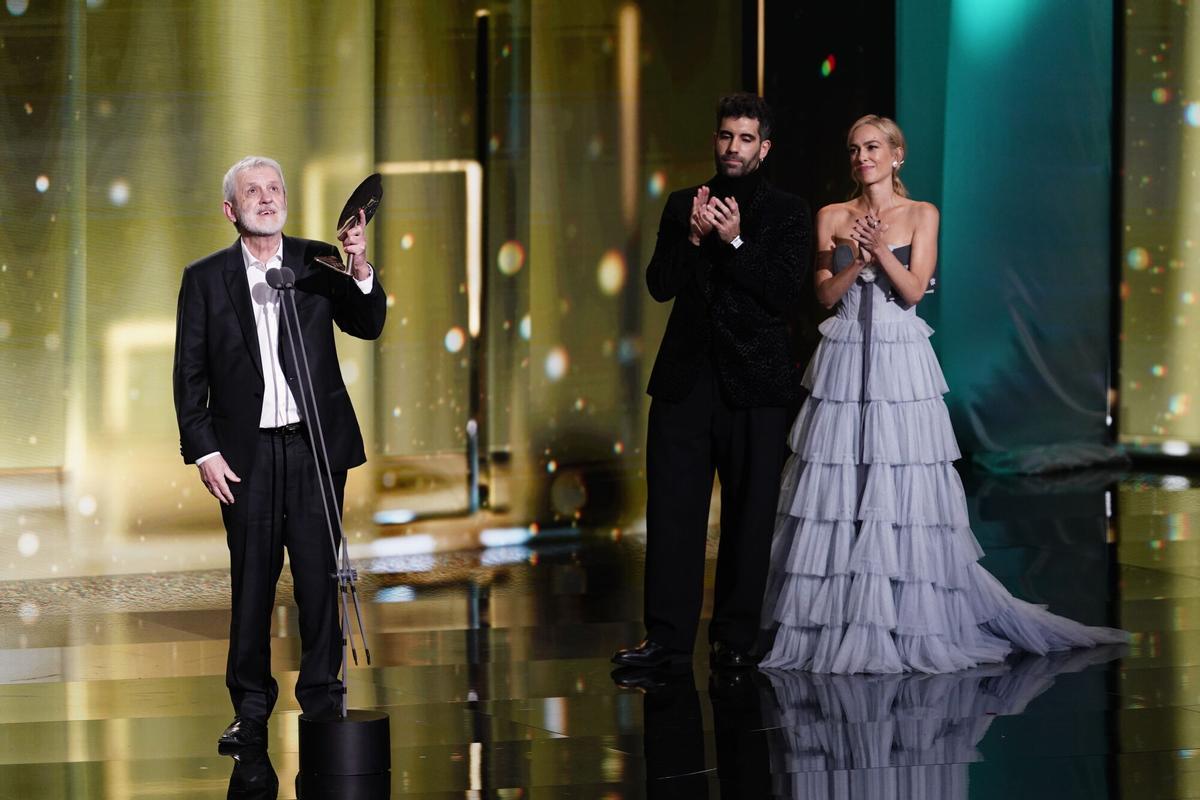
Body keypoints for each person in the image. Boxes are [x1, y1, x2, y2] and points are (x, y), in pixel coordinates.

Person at [759, 115, 1126, 673]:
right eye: (855, 148)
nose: (863, 157)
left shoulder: (922, 214)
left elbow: (911, 292)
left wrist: (881, 249)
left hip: (900, 360)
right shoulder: (832, 217)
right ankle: (840, 617)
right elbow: (824, 297)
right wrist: (855, 256)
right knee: (842, 480)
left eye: (874, 147)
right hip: (843, 358)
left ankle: (908, 615)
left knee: (900, 480)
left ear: (897, 154)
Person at [173, 156, 387, 748]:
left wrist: (360, 265)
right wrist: (204, 451)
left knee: (320, 578)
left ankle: (322, 698)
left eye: (274, 189)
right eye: (252, 191)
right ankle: (251, 707)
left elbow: (367, 323)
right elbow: (189, 375)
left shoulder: (318, 260)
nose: (266, 198)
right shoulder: (206, 278)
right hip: (247, 457)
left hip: (315, 446)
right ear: (230, 210)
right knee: (253, 583)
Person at [612, 93, 812, 671]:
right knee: (674, 514)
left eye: (746, 138)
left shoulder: (788, 211)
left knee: (750, 518)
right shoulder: (682, 205)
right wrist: (696, 240)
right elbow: (658, 284)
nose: (733, 147)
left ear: (764, 147)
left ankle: (735, 640)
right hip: (686, 381)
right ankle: (667, 641)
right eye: (726, 136)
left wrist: (736, 241)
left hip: (756, 382)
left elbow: (780, 291)